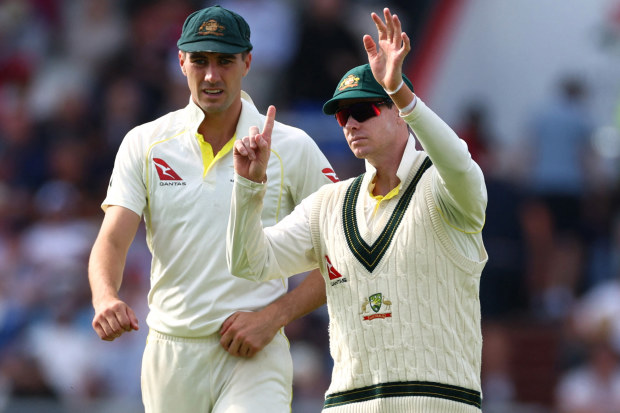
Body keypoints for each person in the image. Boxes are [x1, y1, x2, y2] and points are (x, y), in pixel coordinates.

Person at [227, 8, 488, 412]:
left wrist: (400, 90)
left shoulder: (445, 189)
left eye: (363, 110)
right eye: (343, 115)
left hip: (438, 402)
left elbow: (459, 162)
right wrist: (248, 186)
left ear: (401, 114)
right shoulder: (329, 203)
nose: (350, 123)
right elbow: (248, 262)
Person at [88, 5, 337, 413]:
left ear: (248, 63)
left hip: (254, 352)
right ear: (181, 60)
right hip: (170, 354)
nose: (211, 75)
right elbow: (112, 239)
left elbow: (345, 247)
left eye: (225, 61)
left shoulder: (292, 147)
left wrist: (276, 315)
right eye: (200, 60)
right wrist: (104, 298)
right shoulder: (144, 143)